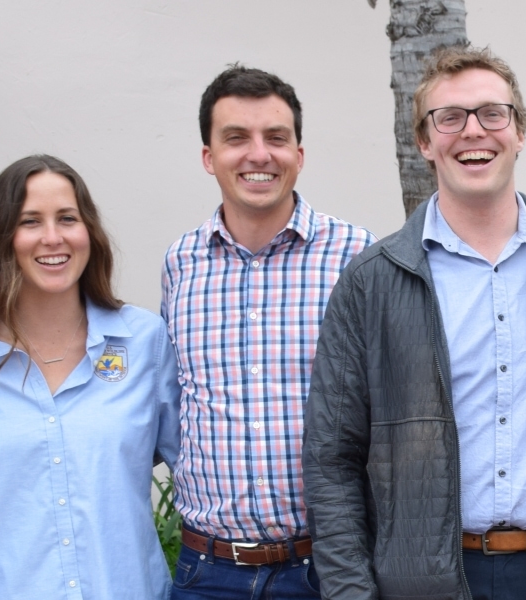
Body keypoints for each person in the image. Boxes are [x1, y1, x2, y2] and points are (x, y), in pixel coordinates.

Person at [304, 45, 526, 598]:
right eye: (450, 118)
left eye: (492, 114)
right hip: (424, 582)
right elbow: (331, 459)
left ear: (519, 131)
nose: (473, 132)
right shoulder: (371, 282)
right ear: (425, 142)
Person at [160, 65, 377, 599]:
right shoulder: (179, 263)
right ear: (209, 157)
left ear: (298, 155)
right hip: (205, 571)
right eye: (236, 138)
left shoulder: (356, 256)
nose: (259, 154)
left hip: (324, 569)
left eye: (276, 138)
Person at [0, 155, 178, 599]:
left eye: (67, 218)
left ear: (89, 232)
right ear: (2, 238)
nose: (52, 237)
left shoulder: (145, 342)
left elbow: (198, 470)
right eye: (30, 221)